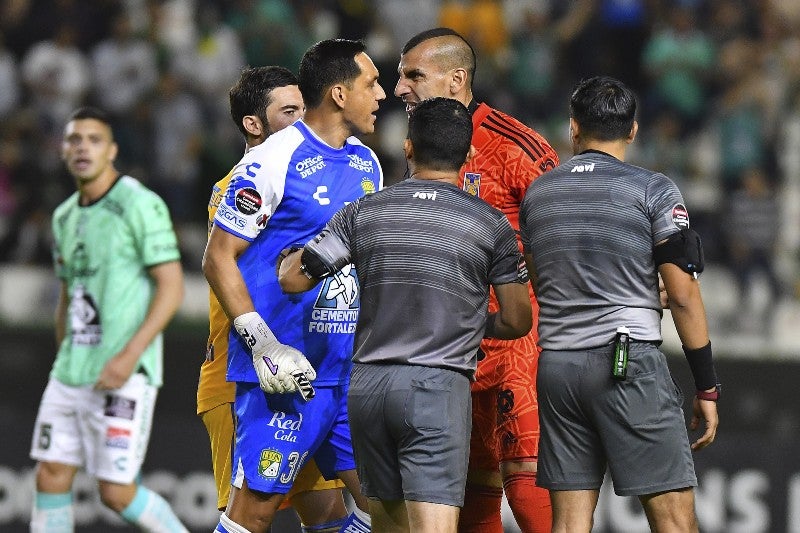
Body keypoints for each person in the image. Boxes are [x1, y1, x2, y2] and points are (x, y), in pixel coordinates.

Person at [278, 96, 533, 533]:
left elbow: (295, 279)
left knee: (387, 526)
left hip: (369, 390)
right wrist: (470, 323)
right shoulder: (491, 225)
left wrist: (287, 255)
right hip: (437, 386)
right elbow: (516, 320)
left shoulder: (363, 212)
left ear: (408, 149)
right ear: (469, 155)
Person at [518, 76, 720, 533]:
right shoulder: (653, 190)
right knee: (673, 521)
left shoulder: (539, 194)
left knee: (568, 524)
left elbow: (540, 274)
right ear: (632, 130)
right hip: (625, 362)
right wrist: (706, 386)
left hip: (559, 369)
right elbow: (684, 295)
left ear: (573, 128)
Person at [202, 39, 385, 533]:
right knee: (252, 515)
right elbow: (218, 257)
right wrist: (264, 346)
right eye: (372, 83)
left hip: (345, 372)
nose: (383, 93)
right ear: (340, 93)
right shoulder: (272, 160)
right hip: (286, 376)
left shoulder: (368, 164)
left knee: (389, 511)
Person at [394, 27, 558, 533]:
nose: (400, 88)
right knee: (469, 489)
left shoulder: (517, 147)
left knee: (526, 480)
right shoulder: (417, 149)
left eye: (412, 75)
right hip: (450, 344)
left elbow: (562, 229)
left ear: (456, 79)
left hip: (517, 341)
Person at [29, 106, 187, 532]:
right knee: (50, 474)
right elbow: (68, 293)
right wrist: (64, 354)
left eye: (94, 140)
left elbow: (172, 286)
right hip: (70, 371)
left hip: (124, 370)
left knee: (116, 493)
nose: (83, 147)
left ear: (112, 150)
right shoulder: (63, 216)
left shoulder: (138, 203)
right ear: (63, 151)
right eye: (74, 139)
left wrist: (128, 355)